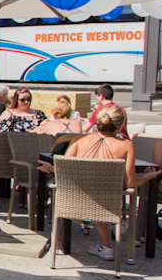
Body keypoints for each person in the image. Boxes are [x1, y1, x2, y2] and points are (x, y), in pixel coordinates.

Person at [38, 106, 162, 261]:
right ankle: (108, 242)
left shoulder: (79, 140)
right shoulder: (126, 145)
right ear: (121, 125)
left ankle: (104, 246)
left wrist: (48, 167)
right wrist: (149, 177)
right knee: (102, 190)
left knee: (92, 188)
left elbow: (63, 170)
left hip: (74, 201)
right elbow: (131, 183)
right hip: (107, 205)